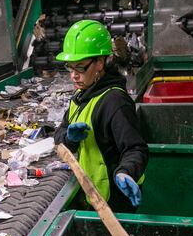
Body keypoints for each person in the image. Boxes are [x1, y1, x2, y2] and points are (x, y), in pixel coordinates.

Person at [53, 20, 148, 212]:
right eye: (70, 68)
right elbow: (59, 134)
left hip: (114, 199)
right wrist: (69, 138)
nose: (74, 75)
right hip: (93, 194)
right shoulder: (81, 95)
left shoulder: (114, 101)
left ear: (100, 62)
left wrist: (126, 172)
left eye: (80, 68)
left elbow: (135, 148)